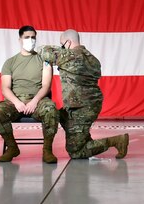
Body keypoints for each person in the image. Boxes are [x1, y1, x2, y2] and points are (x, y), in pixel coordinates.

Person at [36, 29, 129, 159]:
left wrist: (59, 49)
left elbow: (42, 50)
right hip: (90, 104)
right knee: (59, 115)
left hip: (81, 108)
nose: (62, 47)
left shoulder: (68, 56)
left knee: (76, 152)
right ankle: (82, 137)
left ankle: (116, 141)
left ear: (68, 42)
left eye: (62, 44)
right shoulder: (93, 59)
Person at [0, 25, 59, 164]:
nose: (31, 40)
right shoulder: (10, 62)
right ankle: (12, 148)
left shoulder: (44, 60)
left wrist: (34, 101)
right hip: (15, 101)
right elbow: (5, 88)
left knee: (51, 109)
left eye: (33, 37)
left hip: (38, 100)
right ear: (20, 39)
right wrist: (17, 102)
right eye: (27, 37)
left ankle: (47, 150)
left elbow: (46, 85)